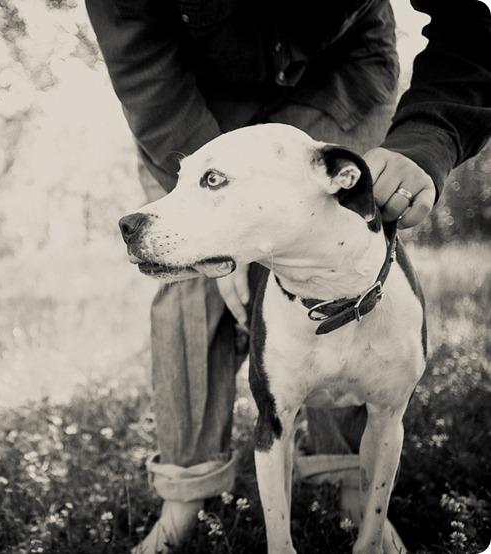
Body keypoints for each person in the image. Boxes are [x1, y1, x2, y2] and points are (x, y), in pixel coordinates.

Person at [84, 1, 491, 552]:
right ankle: (186, 488)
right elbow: (139, 64)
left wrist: (427, 138)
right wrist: (217, 218)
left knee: (354, 239)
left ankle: (352, 479)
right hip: (192, 88)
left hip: (341, 69)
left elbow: (473, 22)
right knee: (186, 285)